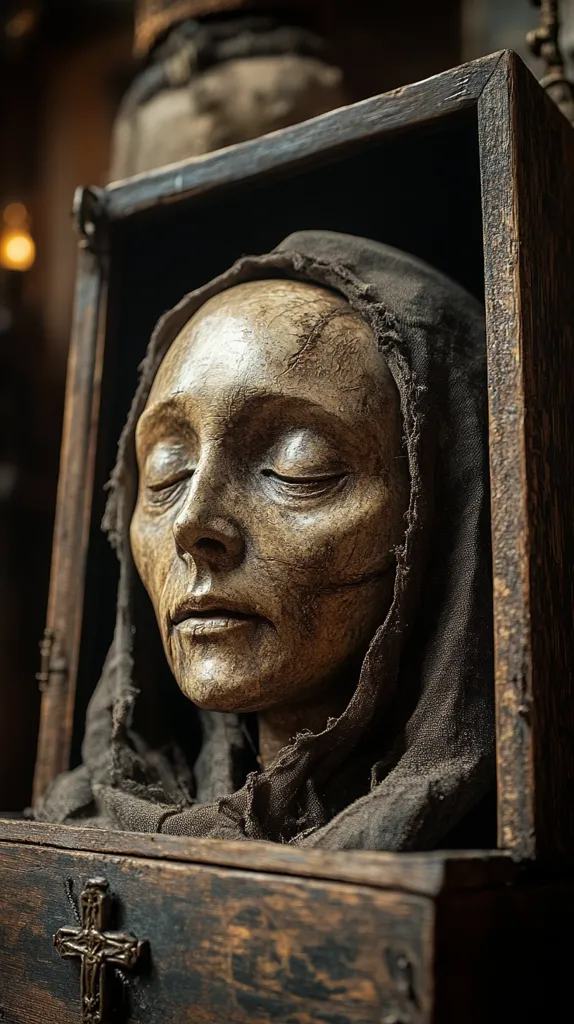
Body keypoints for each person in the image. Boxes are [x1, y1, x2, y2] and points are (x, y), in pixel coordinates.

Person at [35, 231, 494, 850]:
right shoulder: (83, 825)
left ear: (443, 512)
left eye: (298, 466)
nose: (191, 525)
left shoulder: (490, 852)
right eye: (169, 470)